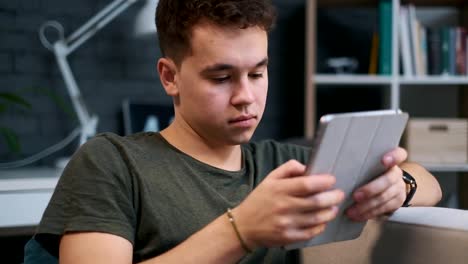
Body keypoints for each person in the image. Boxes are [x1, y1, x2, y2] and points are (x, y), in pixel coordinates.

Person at [28, 0, 442, 263]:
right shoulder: (111, 162)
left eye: (258, 73)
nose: (246, 96)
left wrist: (398, 184)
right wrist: (242, 230)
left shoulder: (285, 165)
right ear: (169, 77)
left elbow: (430, 184)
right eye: (222, 77)